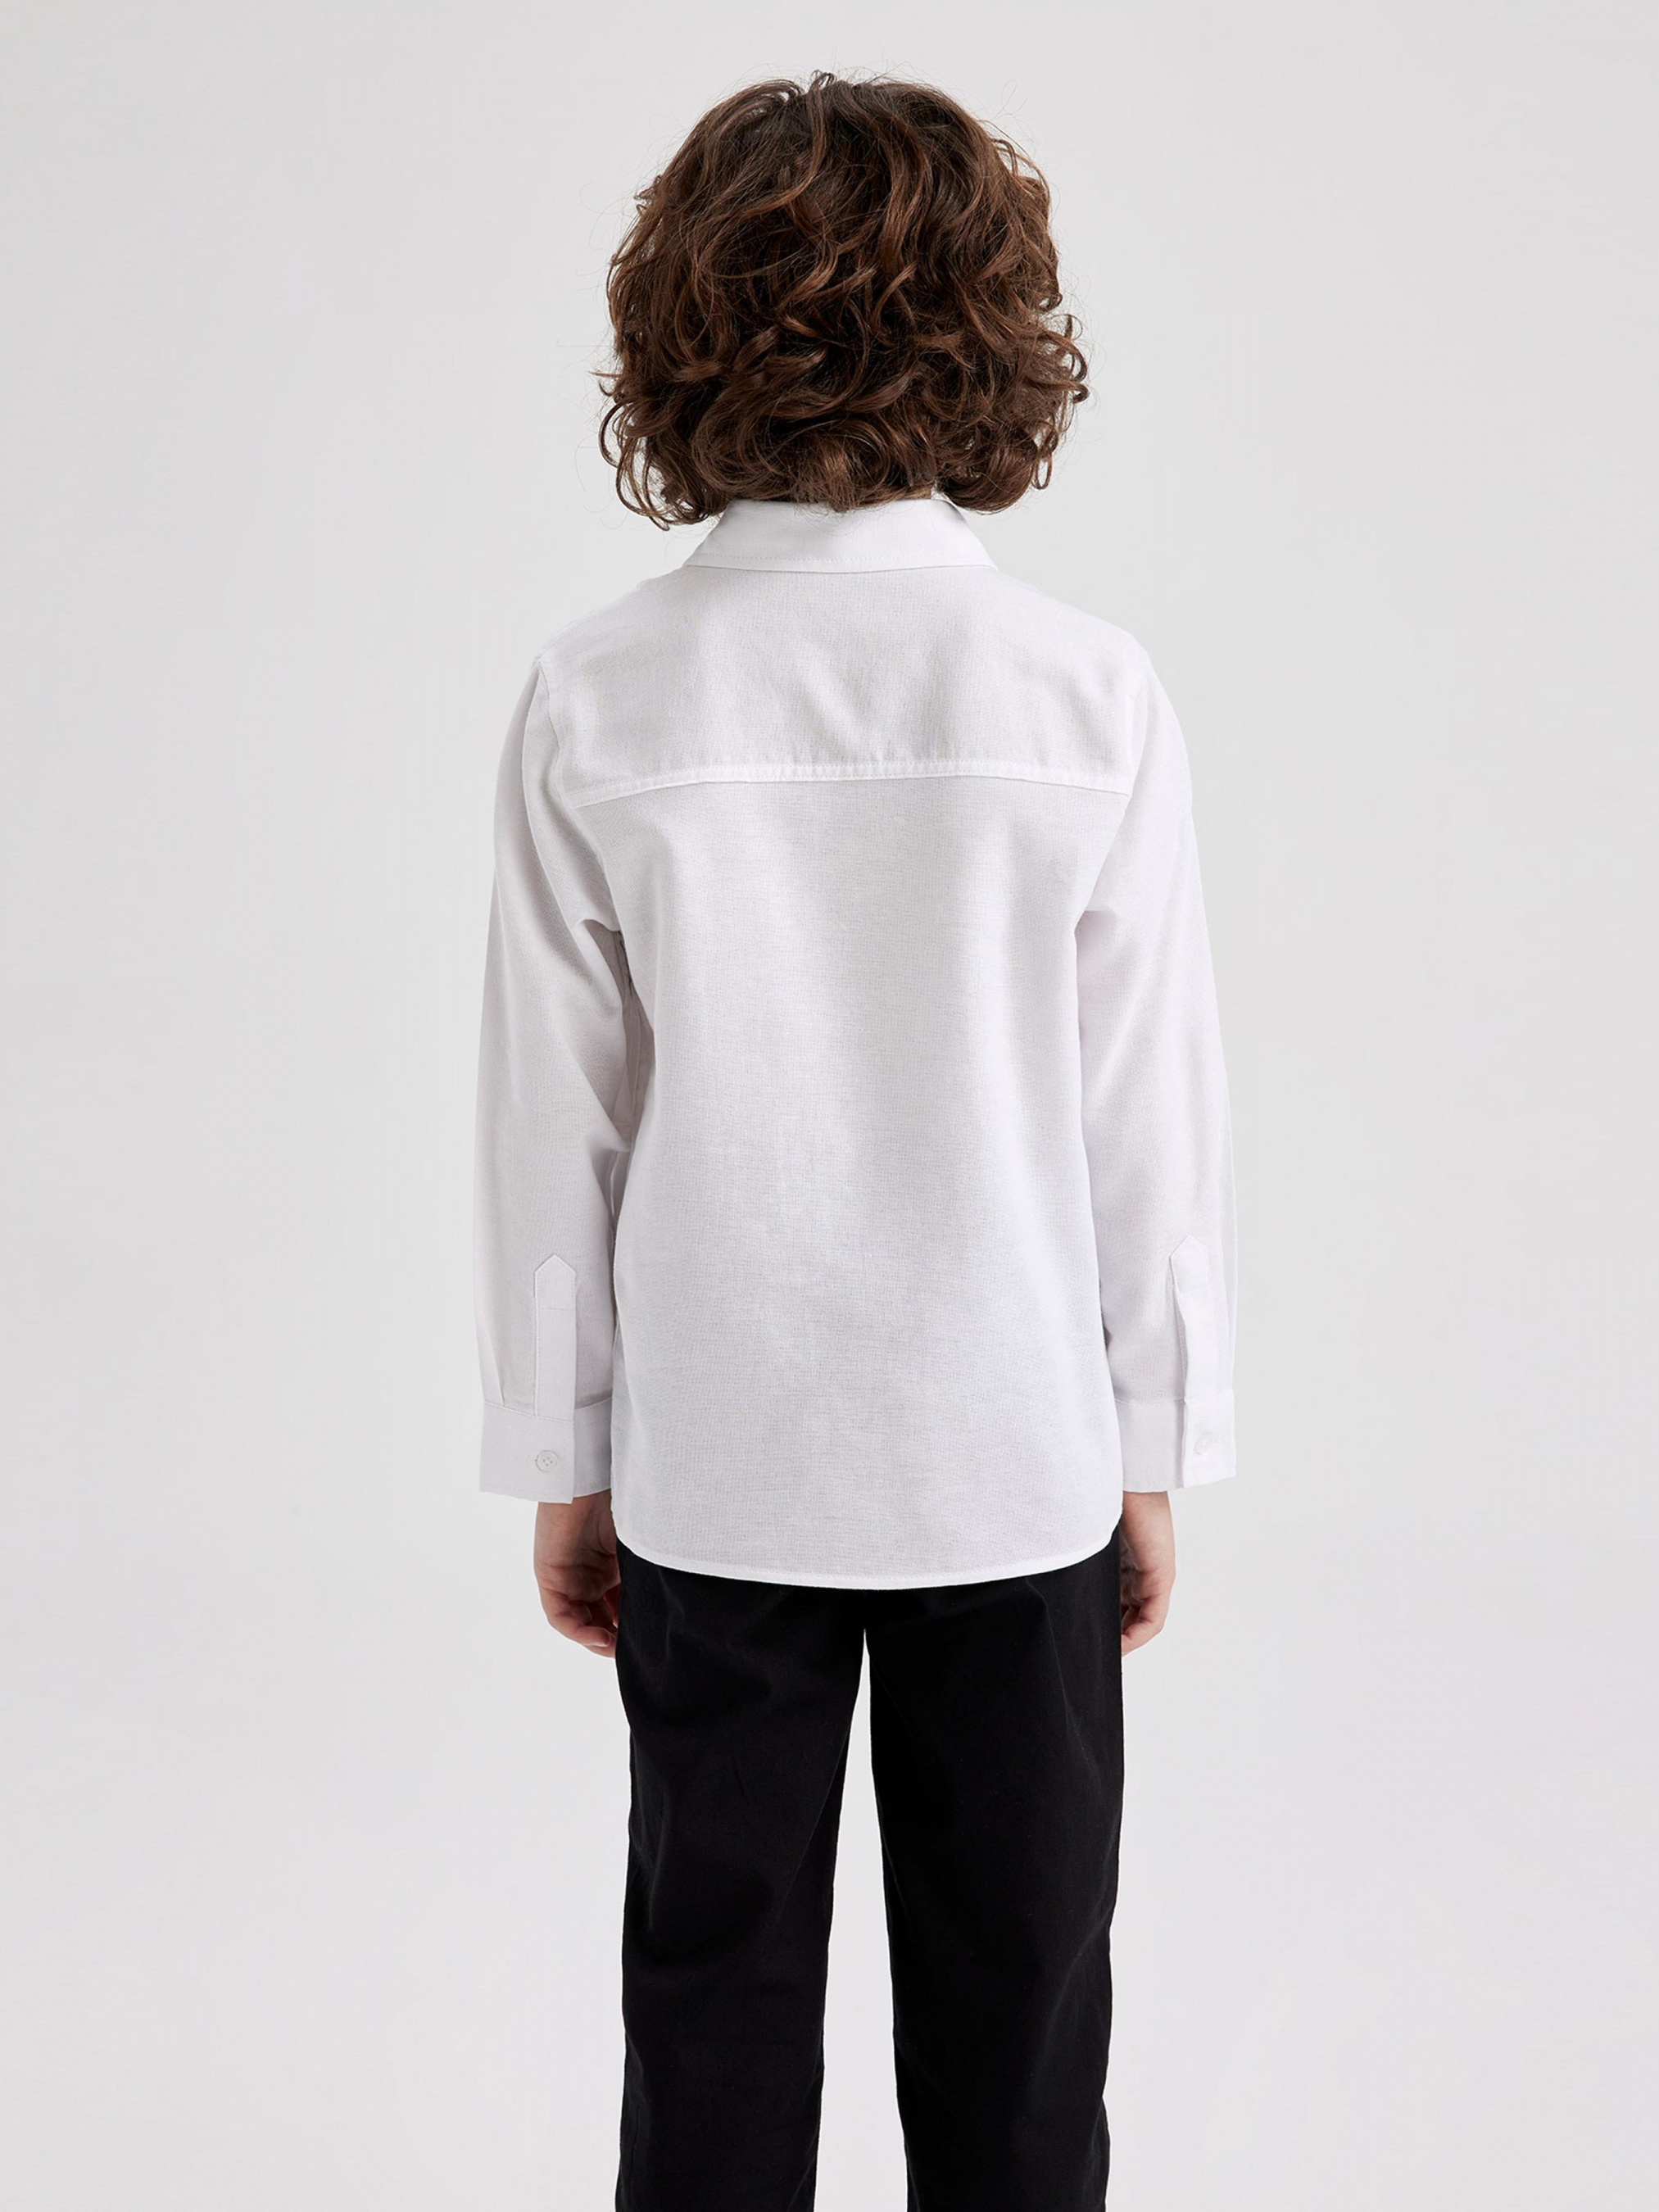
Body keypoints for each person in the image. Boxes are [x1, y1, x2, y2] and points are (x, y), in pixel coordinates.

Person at [473, 72, 1236, 2212]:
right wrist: (1147, 1438)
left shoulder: (600, 694)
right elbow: (1143, 1107)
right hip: (1011, 1449)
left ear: (677, 331)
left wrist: (565, 1447)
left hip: (719, 1456)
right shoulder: (1085, 691)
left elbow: (555, 1119)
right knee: (1023, 2007)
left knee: (708, 2003)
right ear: (996, 336)